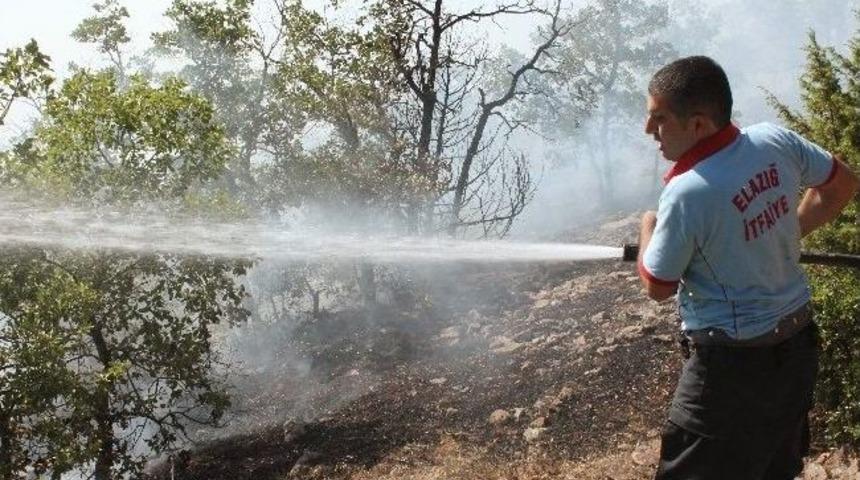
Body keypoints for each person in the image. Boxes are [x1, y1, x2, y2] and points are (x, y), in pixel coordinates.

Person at [637, 56, 859, 479]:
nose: (650, 133)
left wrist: (647, 227)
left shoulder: (687, 193)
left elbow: (658, 284)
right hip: (796, 352)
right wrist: (783, 235)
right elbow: (841, 185)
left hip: (728, 374)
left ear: (699, 124)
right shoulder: (773, 139)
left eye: (659, 120)